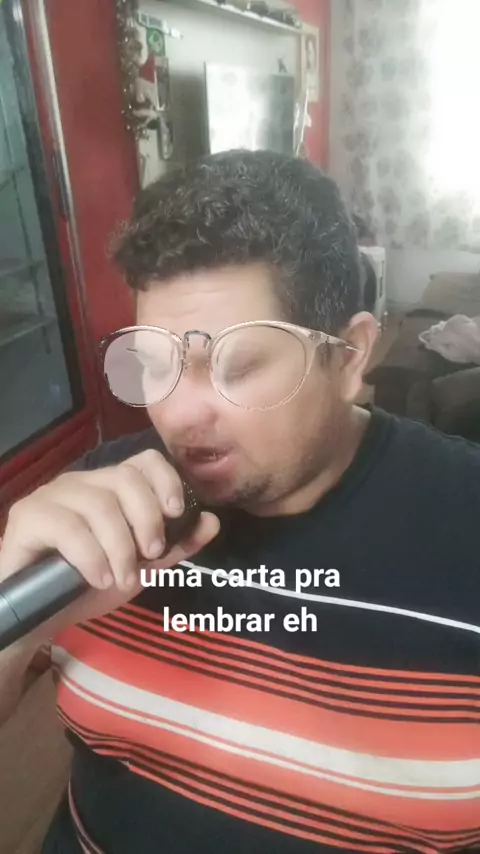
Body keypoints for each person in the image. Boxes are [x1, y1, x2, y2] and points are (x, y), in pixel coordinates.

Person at [0, 150, 479, 854]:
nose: (177, 415)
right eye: (154, 363)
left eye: (238, 363)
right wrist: (11, 621)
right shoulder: (100, 502)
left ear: (350, 358)